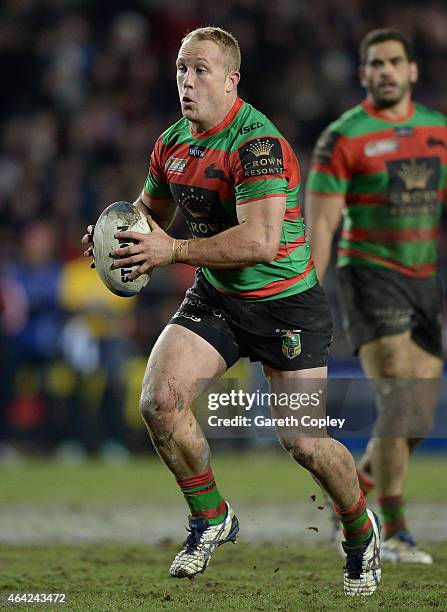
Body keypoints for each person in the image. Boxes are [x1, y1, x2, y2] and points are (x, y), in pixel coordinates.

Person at [83, 27, 381, 595]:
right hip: (219, 297)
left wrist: (169, 251)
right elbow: (150, 212)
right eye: (179, 70)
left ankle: (359, 528)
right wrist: (114, 239)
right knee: (158, 401)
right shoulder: (171, 143)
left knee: (304, 444)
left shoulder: (256, 144)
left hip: (285, 303)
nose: (186, 82)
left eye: (199, 70)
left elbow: (260, 242)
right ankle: (211, 518)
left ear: (231, 80)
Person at [306, 28, 445, 564]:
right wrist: (307, 298)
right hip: (367, 274)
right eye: (375, 64)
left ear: (412, 70)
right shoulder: (344, 137)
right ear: (363, 74)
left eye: (394, 62)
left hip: (425, 281)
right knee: (401, 400)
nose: (385, 71)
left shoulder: (438, 131)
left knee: (419, 417)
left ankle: (358, 488)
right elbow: (322, 227)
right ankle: (393, 531)